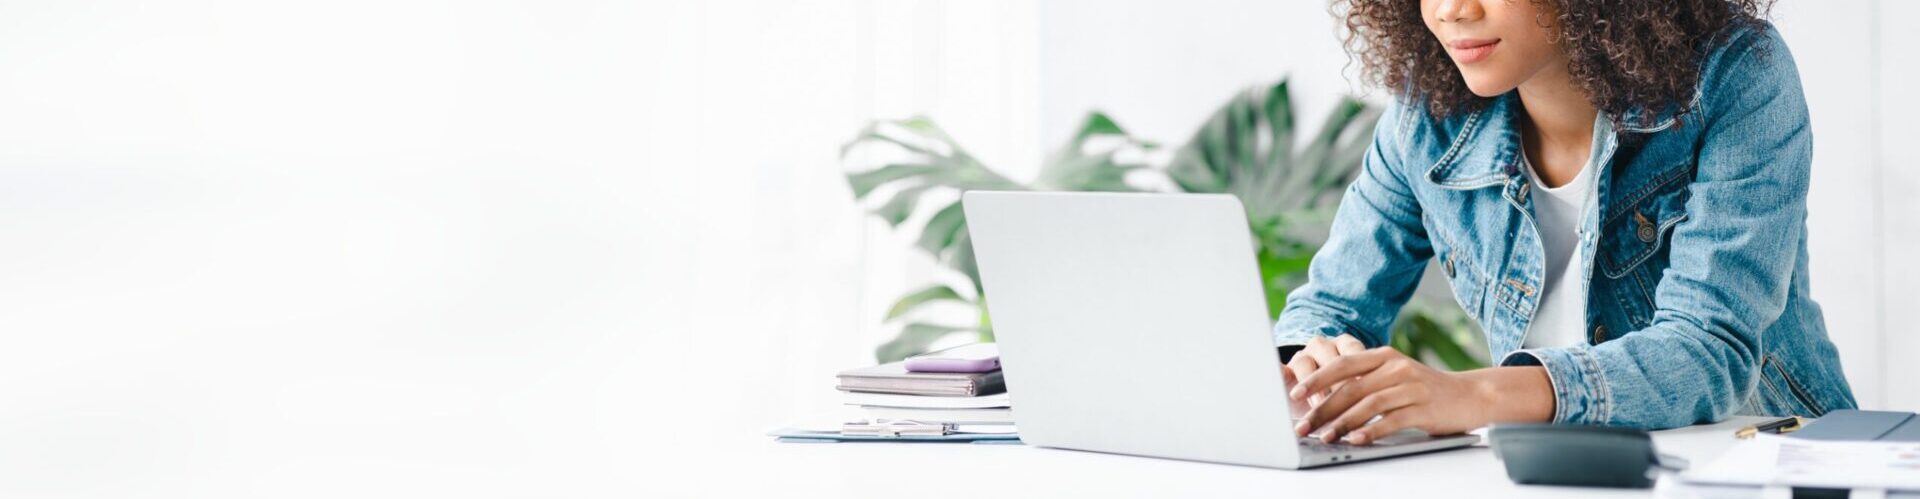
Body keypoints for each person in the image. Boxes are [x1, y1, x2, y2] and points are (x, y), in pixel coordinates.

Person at [1277, 0, 1857, 445]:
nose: (1453, 10)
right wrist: (1308, 365)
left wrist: (1472, 393)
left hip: (1767, 459)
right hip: (1561, 472)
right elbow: (1330, 307)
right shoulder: (1425, 113)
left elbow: (1709, 349)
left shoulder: (1735, 74)